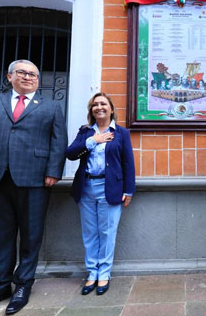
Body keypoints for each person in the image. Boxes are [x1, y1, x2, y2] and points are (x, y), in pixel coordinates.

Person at [0, 60, 68, 316]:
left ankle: (22, 286)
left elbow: (58, 141)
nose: (28, 77)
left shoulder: (51, 107)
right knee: (0, 236)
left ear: (38, 81)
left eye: (33, 74)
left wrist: (54, 171)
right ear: (10, 77)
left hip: (35, 179)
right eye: (22, 72)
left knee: (31, 236)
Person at [66, 92, 135, 296]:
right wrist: (93, 140)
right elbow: (70, 154)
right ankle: (92, 273)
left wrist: (129, 190)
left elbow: (128, 163)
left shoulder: (121, 133)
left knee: (107, 232)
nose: (99, 107)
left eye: (103, 103)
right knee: (90, 233)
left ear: (111, 109)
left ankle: (104, 273)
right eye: (95, 104)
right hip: (86, 187)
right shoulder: (85, 132)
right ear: (91, 110)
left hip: (110, 188)